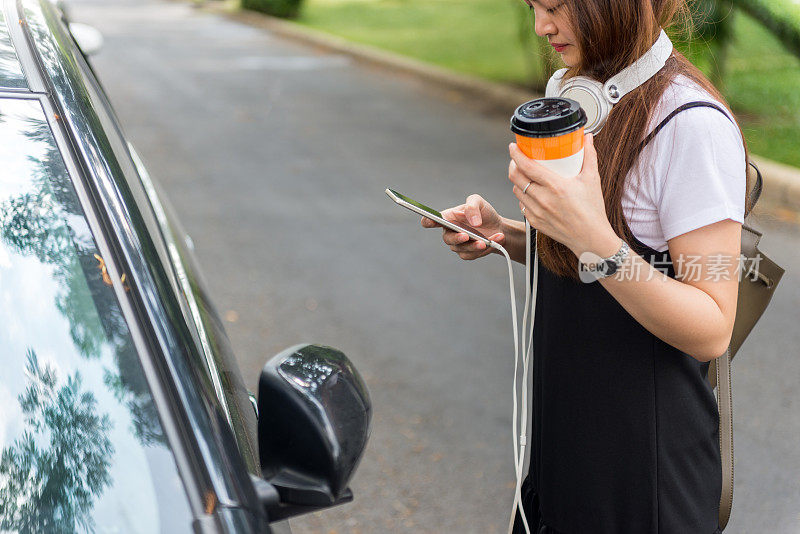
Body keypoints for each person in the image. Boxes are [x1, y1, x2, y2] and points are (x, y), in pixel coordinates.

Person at [421, 1, 748, 533]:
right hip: (566, 441)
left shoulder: (690, 125)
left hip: (642, 474)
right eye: (532, 6)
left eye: (554, 6)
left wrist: (592, 237)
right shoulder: (578, 97)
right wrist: (506, 234)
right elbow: (591, 260)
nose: (541, 26)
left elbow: (712, 327)